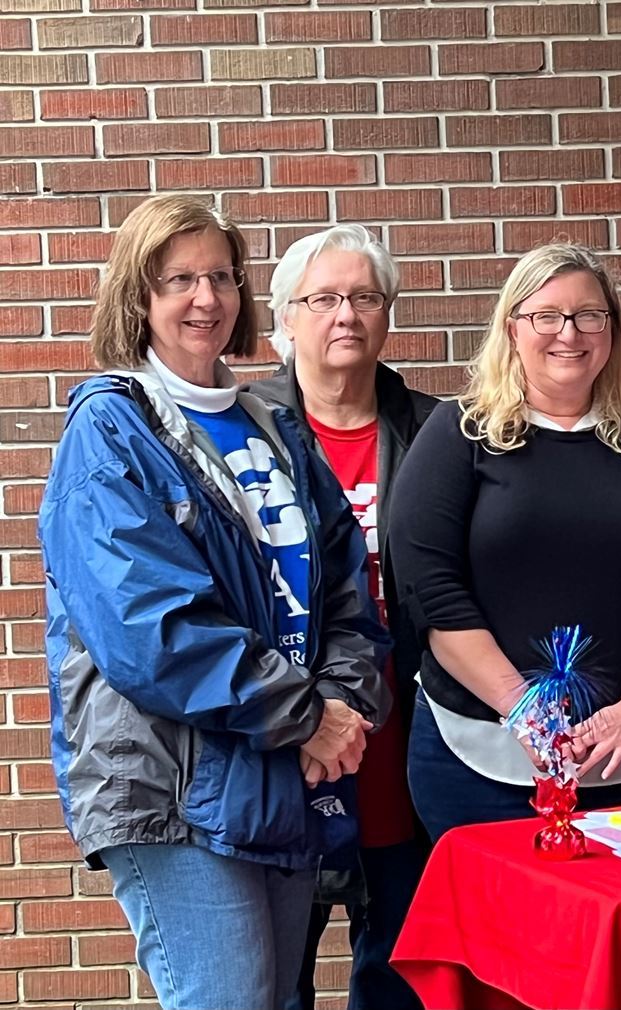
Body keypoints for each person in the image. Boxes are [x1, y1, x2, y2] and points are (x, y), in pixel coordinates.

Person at [40, 195, 390, 1010]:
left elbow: (344, 585)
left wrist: (340, 703)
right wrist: (309, 714)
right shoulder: (110, 431)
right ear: (139, 297)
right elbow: (152, 630)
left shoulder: (271, 421)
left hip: (279, 774)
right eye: (179, 281)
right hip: (172, 789)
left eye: (221, 277)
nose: (207, 298)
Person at [388, 243, 621, 840]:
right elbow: (430, 589)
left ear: (612, 331)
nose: (569, 332)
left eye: (590, 315)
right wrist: (523, 708)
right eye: (546, 316)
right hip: (481, 759)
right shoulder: (457, 436)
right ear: (512, 328)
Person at [252, 225, 436, 1010]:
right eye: (323, 299)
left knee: (394, 963)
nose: (346, 316)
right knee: (272, 970)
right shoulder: (238, 434)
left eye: (364, 297)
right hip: (284, 738)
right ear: (283, 321)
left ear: (387, 315)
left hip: (404, 737)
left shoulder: (437, 433)